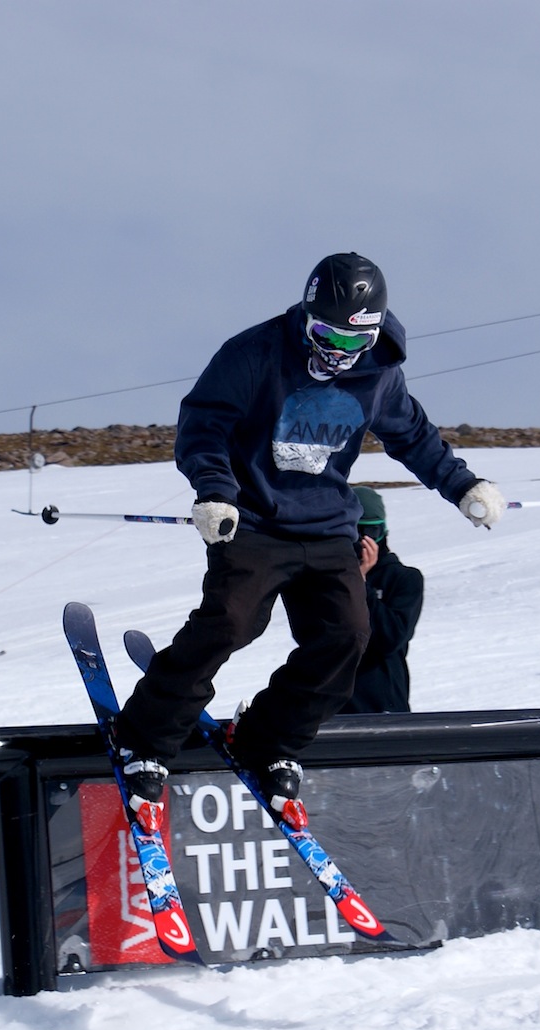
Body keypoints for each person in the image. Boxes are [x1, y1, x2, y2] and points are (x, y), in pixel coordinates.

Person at [112, 253, 504, 828]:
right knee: (232, 623)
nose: (338, 352)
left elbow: (414, 437)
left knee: (347, 636)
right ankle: (145, 736)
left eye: (353, 340)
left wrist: (464, 485)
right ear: (306, 315)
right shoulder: (255, 353)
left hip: (326, 527)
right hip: (254, 521)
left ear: (374, 332)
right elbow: (203, 424)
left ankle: (269, 737)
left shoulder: (381, 373)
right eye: (326, 334)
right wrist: (216, 491)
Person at [340, 485, 425, 714]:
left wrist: (360, 586)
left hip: (381, 703)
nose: (364, 542)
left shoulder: (404, 578)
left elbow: (390, 638)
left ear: (384, 532)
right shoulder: (328, 579)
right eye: (356, 532)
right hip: (329, 702)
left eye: (372, 531)